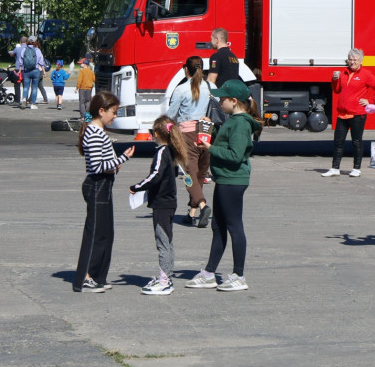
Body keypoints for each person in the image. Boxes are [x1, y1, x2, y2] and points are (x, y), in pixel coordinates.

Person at [186, 79, 262, 292]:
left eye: (223, 98)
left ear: (234, 101)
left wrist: (209, 147)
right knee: (218, 226)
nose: (220, 101)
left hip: (233, 179)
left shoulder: (240, 123)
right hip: (225, 179)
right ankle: (209, 273)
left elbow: (235, 155)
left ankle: (239, 275)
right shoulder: (232, 120)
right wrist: (209, 131)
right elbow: (225, 143)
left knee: (234, 227)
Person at [75, 92, 135, 292]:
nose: (115, 116)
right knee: (96, 234)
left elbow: (102, 163)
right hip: (97, 185)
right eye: (113, 112)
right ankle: (86, 277)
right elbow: (97, 165)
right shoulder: (94, 132)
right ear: (101, 111)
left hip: (103, 185)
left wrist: (115, 164)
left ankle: (97, 276)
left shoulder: (98, 131)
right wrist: (122, 159)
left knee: (105, 233)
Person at [129, 115, 192, 296]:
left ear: (156, 134)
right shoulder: (171, 151)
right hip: (168, 202)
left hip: (162, 203)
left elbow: (155, 175)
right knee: (167, 240)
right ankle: (166, 275)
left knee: (162, 241)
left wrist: (137, 187)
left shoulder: (162, 152)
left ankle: (164, 280)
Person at [322, 48, 375, 178]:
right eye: (350, 60)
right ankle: (335, 168)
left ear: (361, 61)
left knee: (356, 141)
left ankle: (356, 168)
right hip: (342, 113)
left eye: (355, 60)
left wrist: (369, 101)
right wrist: (334, 80)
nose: (352, 62)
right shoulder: (343, 73)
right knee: (338, 142)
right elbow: (337, 90)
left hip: (357, 114)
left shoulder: (366, 74)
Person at [166, 56, 212, 226]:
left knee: (189, 175)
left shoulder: (181, 90)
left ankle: (202, 204)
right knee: (200, 174)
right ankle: (191, 213)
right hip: (206, 133)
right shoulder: (209, 86)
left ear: (186, 69)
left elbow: (171, 115)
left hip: (187, 134)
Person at [20, 37, 44, 109]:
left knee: (26, 87)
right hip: (35, 70)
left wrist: (21, 69)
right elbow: (41, 62)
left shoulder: (24, 49)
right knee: (34, 88)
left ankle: (24, 99)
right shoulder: (37, 50)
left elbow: (21, 61)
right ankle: (33, 104)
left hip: (26, 71)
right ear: (35, 42)